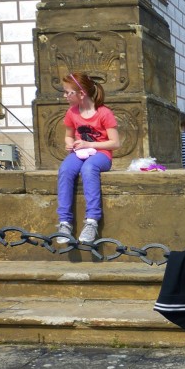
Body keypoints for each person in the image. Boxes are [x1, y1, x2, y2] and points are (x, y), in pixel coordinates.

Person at [55, 72, 120, 244]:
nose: (64, 96)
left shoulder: (104, 113)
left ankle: (92, 221)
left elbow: (115, 143)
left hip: (102, 155)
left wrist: (89, 144)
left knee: (88, 169)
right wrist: (70, 143)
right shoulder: (72, 112)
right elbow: (68, 135)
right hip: (79, 153)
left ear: (81, 93)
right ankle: (64, 222)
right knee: (65, 169)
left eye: (67, 92)